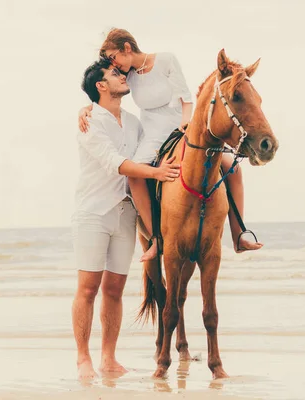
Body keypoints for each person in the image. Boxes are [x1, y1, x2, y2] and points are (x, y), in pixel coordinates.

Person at [78, 28, 263, 256]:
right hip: (152, 134)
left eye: (112, 56)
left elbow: (186, 98)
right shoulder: (128, 76)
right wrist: (87, 108)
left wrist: (185, 123)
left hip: (182, 125)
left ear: (126, 48)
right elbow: (106, 94)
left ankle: (239, 234)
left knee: (231, 167)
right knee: (134, 176)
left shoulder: (166, 60)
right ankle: (156, 238)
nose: (112, 63)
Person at [72, 58, 180, 380]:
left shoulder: (133, 122)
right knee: (88, 288)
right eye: (116, 74)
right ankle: (83, 359)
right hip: (93, 212)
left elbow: (156, 141)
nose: (123, 77)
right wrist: (155, 172)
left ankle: (108, 358)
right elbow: (117, 163)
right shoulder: (91, 123)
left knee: (115, 289)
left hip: (125, 213)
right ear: (101, 86)